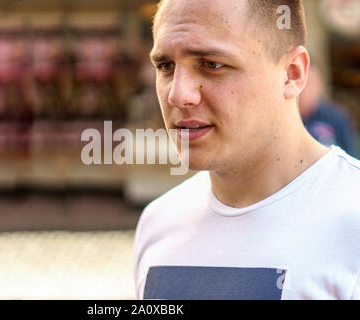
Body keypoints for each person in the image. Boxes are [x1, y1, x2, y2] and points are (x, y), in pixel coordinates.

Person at [133, 0, 360, 300]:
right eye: (166, 67)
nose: (178, 94)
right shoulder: (158, 223)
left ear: (292, 74)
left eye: (211, 65)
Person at [299, 63, 358, 157]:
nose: (304, 89)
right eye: (301, 82)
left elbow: (350, 155)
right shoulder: (287, 119)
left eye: (309, 83)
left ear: (321, 84)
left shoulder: (337, 117)